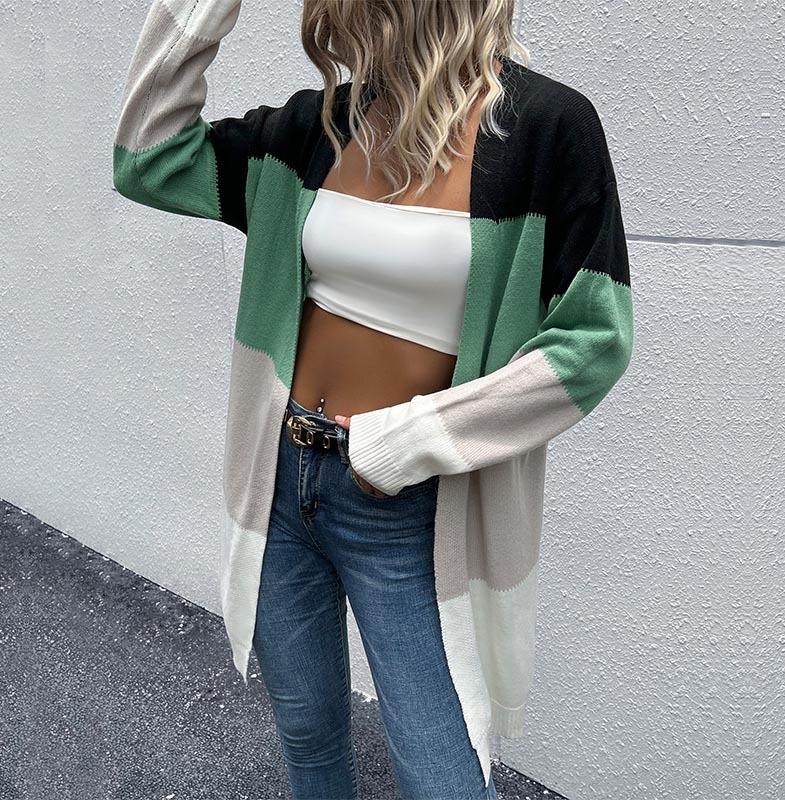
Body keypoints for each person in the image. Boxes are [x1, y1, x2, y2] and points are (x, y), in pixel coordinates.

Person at [112, 1, 634, 798]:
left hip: (410, 508)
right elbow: (146, 160)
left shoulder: (545, 129)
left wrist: (411, 440)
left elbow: (595, 339)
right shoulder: (318, 125)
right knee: (309, 734)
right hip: (282, 481)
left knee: (443, 775)